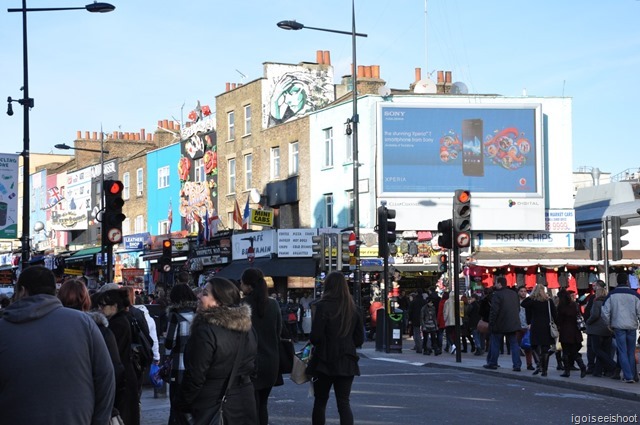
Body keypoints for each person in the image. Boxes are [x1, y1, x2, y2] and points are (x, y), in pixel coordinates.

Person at [0, 266, 115, 425]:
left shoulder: (4, 329)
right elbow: (106, 376)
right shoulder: (83, 323)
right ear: (54, 290)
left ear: (22, 290)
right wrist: (99, 420)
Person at [179, 277, 258, 424]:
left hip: (213, 402)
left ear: (219, 302)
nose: (198, 296)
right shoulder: (248, 328)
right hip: (244, 399)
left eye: (205, 293)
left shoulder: (205, 331)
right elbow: (253, 364)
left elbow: (195, 377)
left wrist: (182, 406)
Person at [58, 279, 125, 422]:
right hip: (92, 406)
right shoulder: (98, 329)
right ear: (86, 300)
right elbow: (114, 371)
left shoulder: (51, 329)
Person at [310, 272, 364, 425]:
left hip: (324, 360)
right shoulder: (354, 308)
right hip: (347, 360)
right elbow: (359, 339)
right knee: (343, 402)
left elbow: (315, 337)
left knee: (320, 401)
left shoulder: (321, 306)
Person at [240, 268, 282, 425]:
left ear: (249, 286)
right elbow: (278, 333)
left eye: (242, 283)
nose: (240, 286)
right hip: (271, 361)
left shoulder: (242, 306)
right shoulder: (273, 304)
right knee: (262, 404)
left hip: (250, 363)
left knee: (251, 406)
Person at [96, 283, 142, 425]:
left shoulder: (117, 324)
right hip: (128, 376)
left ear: (114, 306)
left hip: (123, 379)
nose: (100, 309)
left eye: (103, 306)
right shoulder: (125, 318)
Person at [164, 284, 198, 425]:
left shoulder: (175, 316)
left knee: (176, 407)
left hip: (179, 369)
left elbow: (169, 343)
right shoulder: (199, 315)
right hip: (196, 368)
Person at [601, 273, 640, 383]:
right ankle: (632, 374)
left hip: (618, 326)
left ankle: (628, 376)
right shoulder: (635, 295)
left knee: (622, 351)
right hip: (632, 326)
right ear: (627, 282)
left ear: (617, 282)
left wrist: (608, 324)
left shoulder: (612, 295)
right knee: (631, 352)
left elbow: (604, 312)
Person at [484, 277, 522, 371]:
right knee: (514, 344)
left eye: (496, 283)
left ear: (499, 284)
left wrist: (491, 323)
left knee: (495, 343)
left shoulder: (497, 295)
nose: (495, 285)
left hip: (499, 324)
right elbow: (518, 308)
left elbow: (494, 311)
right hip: (512, 323)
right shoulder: (513, 294)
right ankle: (517, 365)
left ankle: (493, 362)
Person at [521, 284, 557, 377]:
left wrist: (531, 295)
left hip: (536, 326)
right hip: (547, 326)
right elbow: (554, 314)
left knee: (534, 346)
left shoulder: (532, 301)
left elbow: (523, 304)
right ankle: (544, 370)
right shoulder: (548, 301)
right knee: (545, 348)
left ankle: (539, 364)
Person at [585, 284, 617, 378]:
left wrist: (588, 322)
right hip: (607, 330)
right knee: (604, 350)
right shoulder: (609, 303)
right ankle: (598, 371)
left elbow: (595, 315)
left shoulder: (597, 302)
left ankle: (613, 365)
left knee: (597, 350)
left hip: (596, 330)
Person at [556, 289, 587, 378]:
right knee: (574, 352)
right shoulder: (574, 305)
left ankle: (567, 370)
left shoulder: (561, 307)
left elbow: (559, 320)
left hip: (565, 331)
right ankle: (582, 366)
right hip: (575, 331)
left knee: (565, 352)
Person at [516, 286, 535, 370]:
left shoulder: (529, 302)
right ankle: (517, 364)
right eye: (521, 291)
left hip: (527, 326)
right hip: (517, 326)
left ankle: (529, 364)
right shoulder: (515, 302)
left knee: (528, 346)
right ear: (518, 292)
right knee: (516, 346)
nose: (523, 293)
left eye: (524, 291)